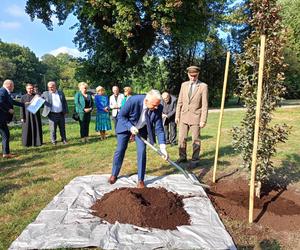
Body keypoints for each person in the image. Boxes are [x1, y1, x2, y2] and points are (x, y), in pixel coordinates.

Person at [108, 89, 168, 188]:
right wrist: (130, 127)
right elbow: (121, 116)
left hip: (141, 128)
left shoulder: (158, 107)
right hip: (125, 126)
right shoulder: (133, 101)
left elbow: (159, 128)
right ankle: (114, 174)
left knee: (142, 151)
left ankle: (140, 180)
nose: (156, 107)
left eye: (158, 105)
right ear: (146, 101)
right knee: (120, 149)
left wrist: (163, 148)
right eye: (154, 105)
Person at [175, 66, 208, 164]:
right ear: (188, 74)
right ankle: (182, 157)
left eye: (195, 75)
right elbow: (179, 102)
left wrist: (203, 120)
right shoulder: (183, 85)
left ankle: (195, 159)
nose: (193, 78)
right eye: (191, 75)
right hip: (183, 117)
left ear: (198, 74)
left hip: (196, 118)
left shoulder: (203, 86)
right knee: (181, 139)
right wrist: (177, 116)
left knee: (196, 140)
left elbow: (205, 105)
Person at [0, 79, 24, 158]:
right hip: (1, 118)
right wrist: (8, 109)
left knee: (5, 134)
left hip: (2, 118)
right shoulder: (2, 91)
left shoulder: (5, 92)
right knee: (6, 134)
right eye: (13, 85)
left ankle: (5, 153)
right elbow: (0, 102)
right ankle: (6, 153)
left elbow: (12, 101)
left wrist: (24, 104)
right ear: (9, 85)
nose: (13, 87)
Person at [41, 81, 68, 145]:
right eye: (49, 87)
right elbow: (39, 99)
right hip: (52, 114)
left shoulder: (61, 93)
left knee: (62, 128)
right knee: (53, 129)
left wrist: (66, 111)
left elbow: (64, 102)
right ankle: (53, 141)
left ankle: (64, 139)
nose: (50, 88)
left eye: (52, 87)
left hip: (61, 113)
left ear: (55, 86)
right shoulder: (45, 93)